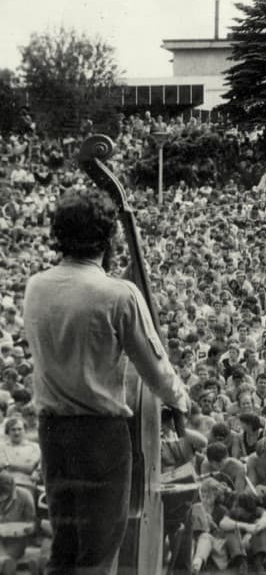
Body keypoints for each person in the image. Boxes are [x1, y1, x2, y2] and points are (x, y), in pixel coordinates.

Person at [22, 187, 191, 572]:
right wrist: (180, 399)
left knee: (64, 549)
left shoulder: (35, 286)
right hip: (100, 437)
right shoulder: (118, 294)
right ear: (108, 236)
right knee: (97, 554)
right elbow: (156, 369)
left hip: (51, 432)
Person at [0, 472, 37, 575]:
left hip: (15, 540)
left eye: (3, 495)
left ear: (12, 488)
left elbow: (32, 524)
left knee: (9, 552)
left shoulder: (25, 495)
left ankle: (4, 563)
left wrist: (23, 530)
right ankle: (4, 563)